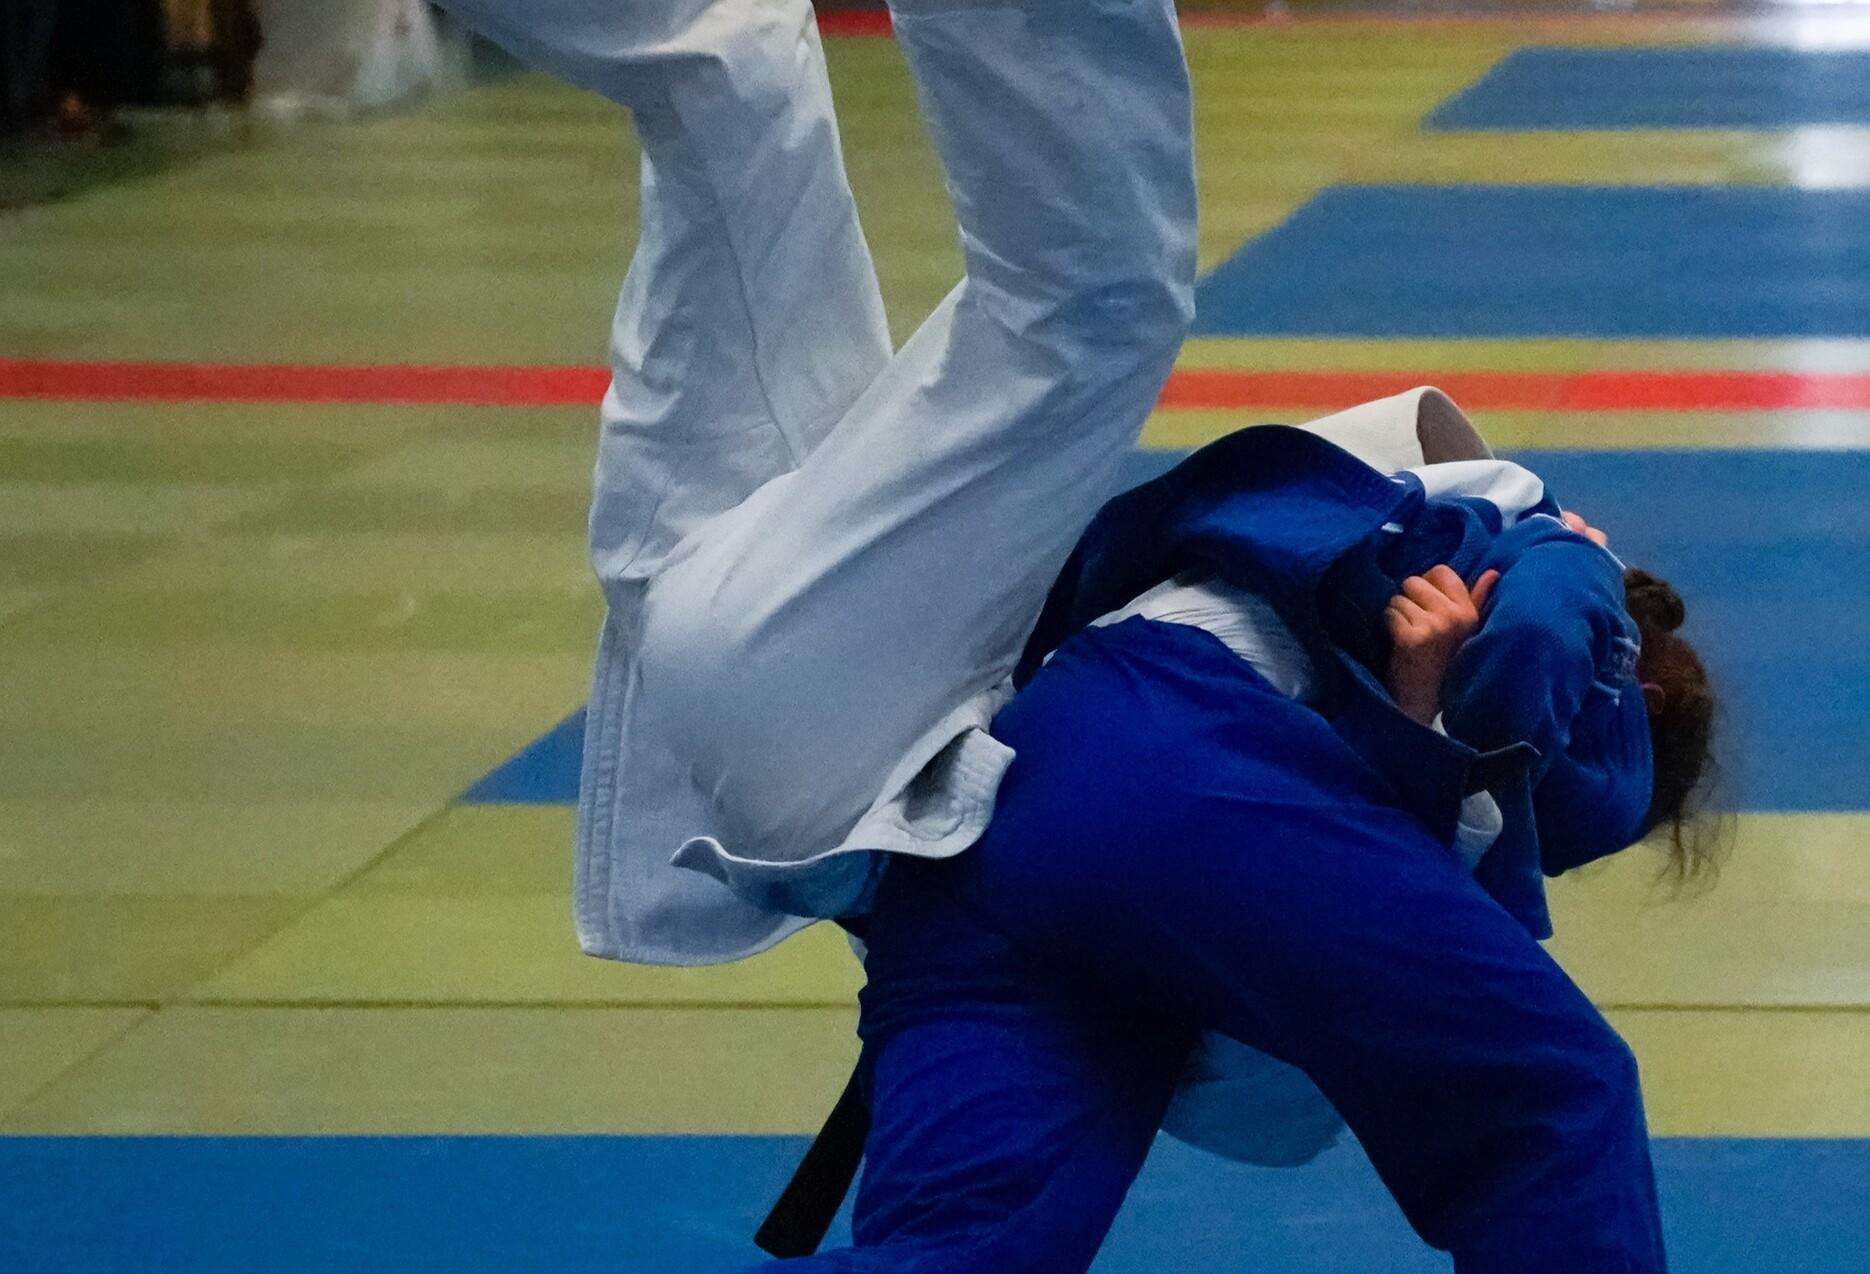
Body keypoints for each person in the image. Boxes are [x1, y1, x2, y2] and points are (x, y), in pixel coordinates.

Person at [421, 0, 1719, 1268]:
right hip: (896, 792)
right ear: (1645, 686)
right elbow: (1535, 658)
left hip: (937, 746)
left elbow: (1401, 803)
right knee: (729, 72)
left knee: (1093, 298)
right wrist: (1473, 728)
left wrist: (1434, 730)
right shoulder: (1557, 556)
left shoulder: (1455, 551)